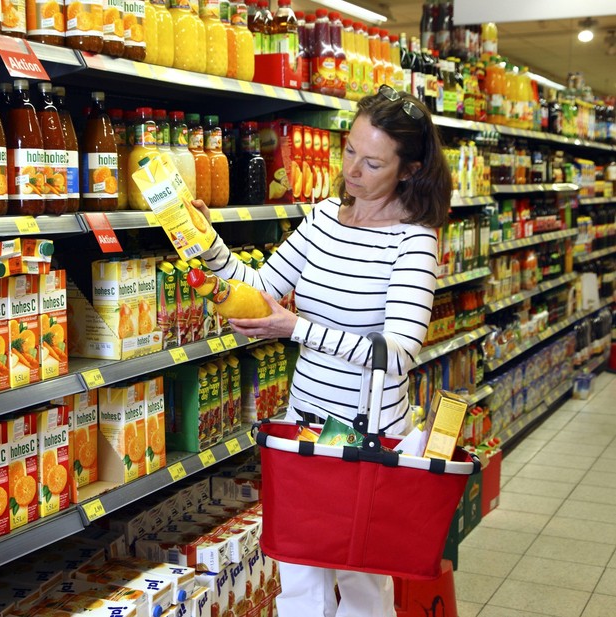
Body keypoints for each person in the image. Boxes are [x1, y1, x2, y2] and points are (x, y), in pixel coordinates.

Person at [193, 85, 452, 617]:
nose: (353, 170)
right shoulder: (323, 218)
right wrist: (208, 245)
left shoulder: (413, 239)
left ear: (408, 169)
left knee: (361, 583)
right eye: (350, 150)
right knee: (299, 576)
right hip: (305, 427)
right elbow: (261, 288)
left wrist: (297, 329)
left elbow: (400, 350)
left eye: (372, 161)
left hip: (370, 433)